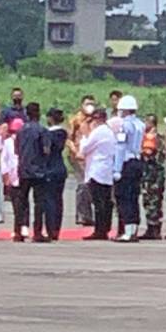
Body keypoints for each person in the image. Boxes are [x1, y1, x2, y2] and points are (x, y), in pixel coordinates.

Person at [79, 107, 116, 240]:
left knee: (99, 202)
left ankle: (100, 230)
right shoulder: (109, 132)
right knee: (106, 201)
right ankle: (104, 228)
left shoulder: (98, 132)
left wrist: (84, 135)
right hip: (106, 170)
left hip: (97, 170)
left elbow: (85, 148)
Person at [113, 94, 145, 242]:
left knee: (124, 197)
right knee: (133, 197)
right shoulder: (140, 124)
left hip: (126, 162)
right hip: (137, 161)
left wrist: (117, 169)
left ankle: (127, 231)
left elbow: (120, 147)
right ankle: (133, 230)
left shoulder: (124, 126)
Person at [16, 102, 47, 243]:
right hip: (38, 170)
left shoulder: (21, 131)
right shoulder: (42, 130)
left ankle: (18, 231)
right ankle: (37, 232)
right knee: (39, 202)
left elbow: (17, 150)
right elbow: (46, 150)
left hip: (23, 168)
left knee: (21, 201)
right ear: (38, 114)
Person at [67, 95, 96, 226]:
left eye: (92, 103)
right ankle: (82, 215)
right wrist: (75, 151)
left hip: (91, 157)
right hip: (77, 157)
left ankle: (87, 214)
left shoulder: (95, 120)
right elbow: (69, 139)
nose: (90, 106)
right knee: (82, 184)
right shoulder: (76, 120)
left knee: (90, 185)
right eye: (87, 103)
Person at [43, 108, 68, 241]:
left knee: (49, 200)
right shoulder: (63, 133)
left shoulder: (48, 134)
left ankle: (50, 229)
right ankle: (56, 229)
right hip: (60, 168)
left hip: (50, 169)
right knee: (58, 200)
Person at [140, 114, 166, 240]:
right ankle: (155, 228)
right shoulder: (160, 137)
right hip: (158, 173)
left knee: (151, 201)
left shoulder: (150, 137)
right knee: (156, 201)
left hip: (151, 174)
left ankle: (152, 229)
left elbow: (148, 152)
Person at [1, 118, 26, 241]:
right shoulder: (7, 143)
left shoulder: (26, 142)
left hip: (25, 176)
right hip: (13, 176)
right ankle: (18, 228)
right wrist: (5, 176)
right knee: (16, 204)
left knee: (24, 203)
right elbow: (4, 160)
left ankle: (23, 226)